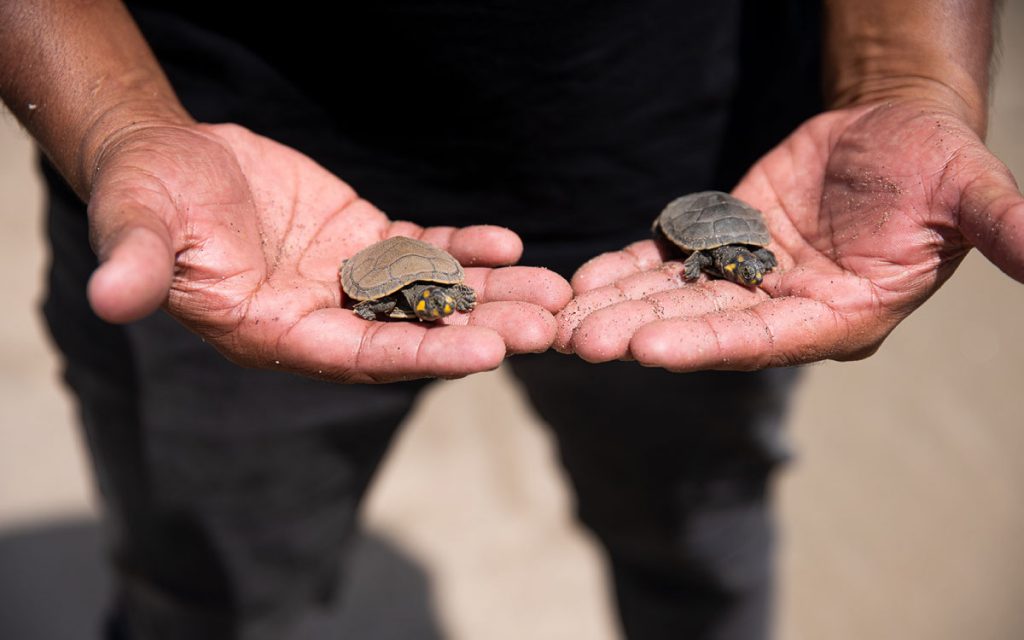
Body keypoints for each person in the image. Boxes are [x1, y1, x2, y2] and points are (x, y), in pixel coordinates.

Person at [1, 1, 1021, 639]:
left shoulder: (735, 248)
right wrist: (122, 123)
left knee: (698, 547)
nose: (437, 309)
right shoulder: (408, 288)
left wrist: (906, 82)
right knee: (209, 600)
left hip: (710, 147)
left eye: (434, 301)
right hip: (236, 191)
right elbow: (404, 295)